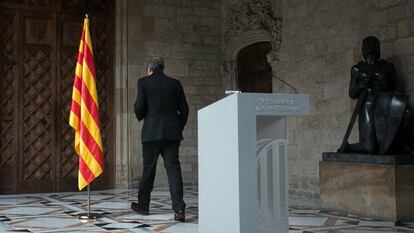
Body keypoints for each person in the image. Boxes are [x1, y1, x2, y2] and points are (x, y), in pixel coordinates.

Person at [131, 57, 189, 222]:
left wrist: (140, 113)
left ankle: (143, 206)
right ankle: (179, 210)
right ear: (162, 68)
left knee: (148, 170)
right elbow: (184, 110)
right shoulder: (175, 83)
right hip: (172, 134)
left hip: (151, 134)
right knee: (174, 171)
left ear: (150, 68)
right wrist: (178, 127)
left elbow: (140, 108)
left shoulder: (143, 82)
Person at [338, 36, 412, 154]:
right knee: (370, 148)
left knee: (407, 113)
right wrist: (361, 85)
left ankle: (403, 144)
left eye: (372, 44)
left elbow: (396, 88)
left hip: (386, 105)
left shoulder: (387, 67)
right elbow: (352, 93)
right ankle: (349, 147)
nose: (369, 47)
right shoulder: (357, 69)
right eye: (366, 44)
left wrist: (383, 83)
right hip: (368, 106)